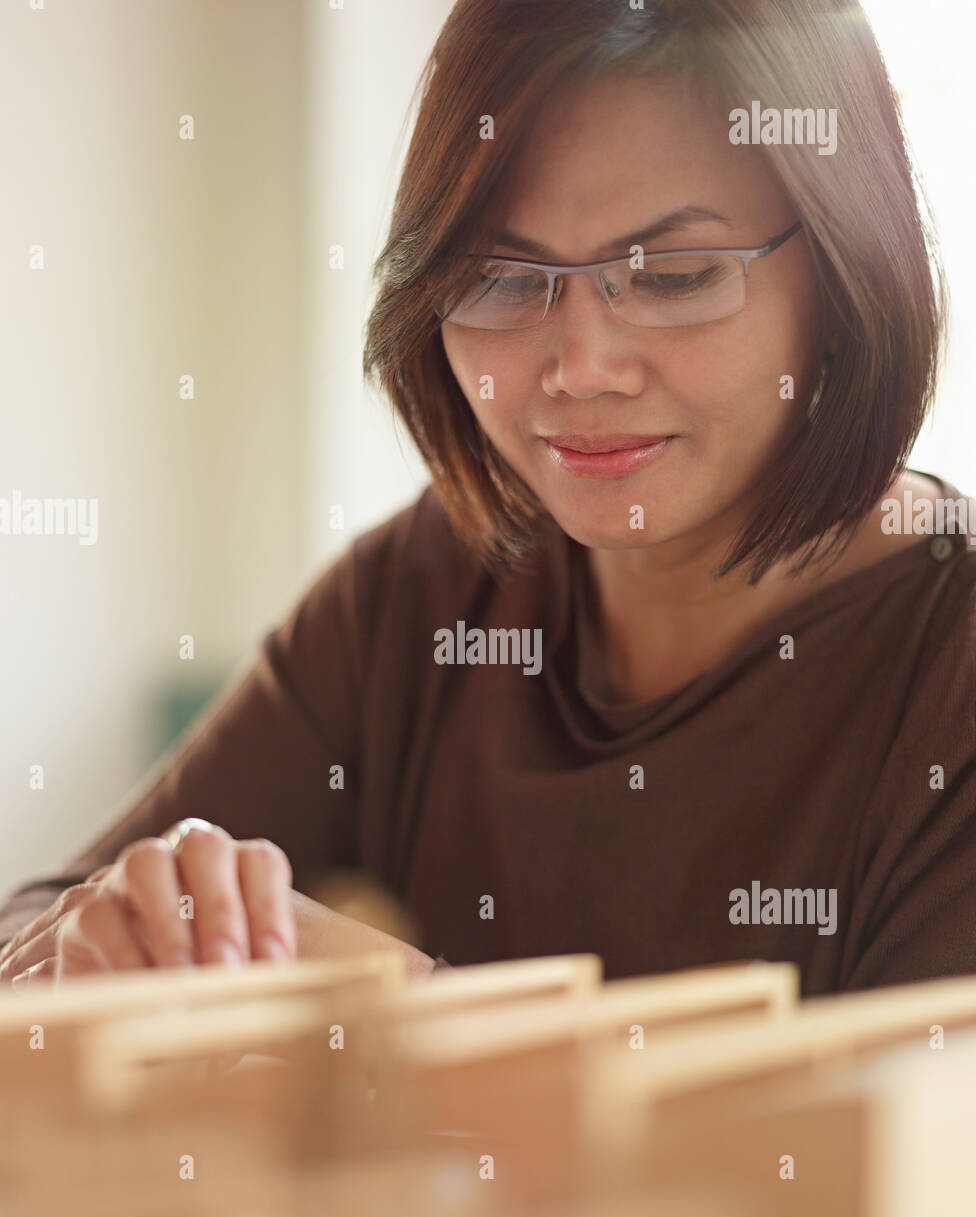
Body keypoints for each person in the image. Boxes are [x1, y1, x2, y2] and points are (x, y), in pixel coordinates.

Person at [1, 0, 973, 998]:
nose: (582, 368)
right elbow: (36, 925)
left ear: (850, 266)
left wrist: (411, 1009)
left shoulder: (948, 669)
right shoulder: (423, 590)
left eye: (675, 274)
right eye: (500, 280)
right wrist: (130, 923)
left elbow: (896, 1138)